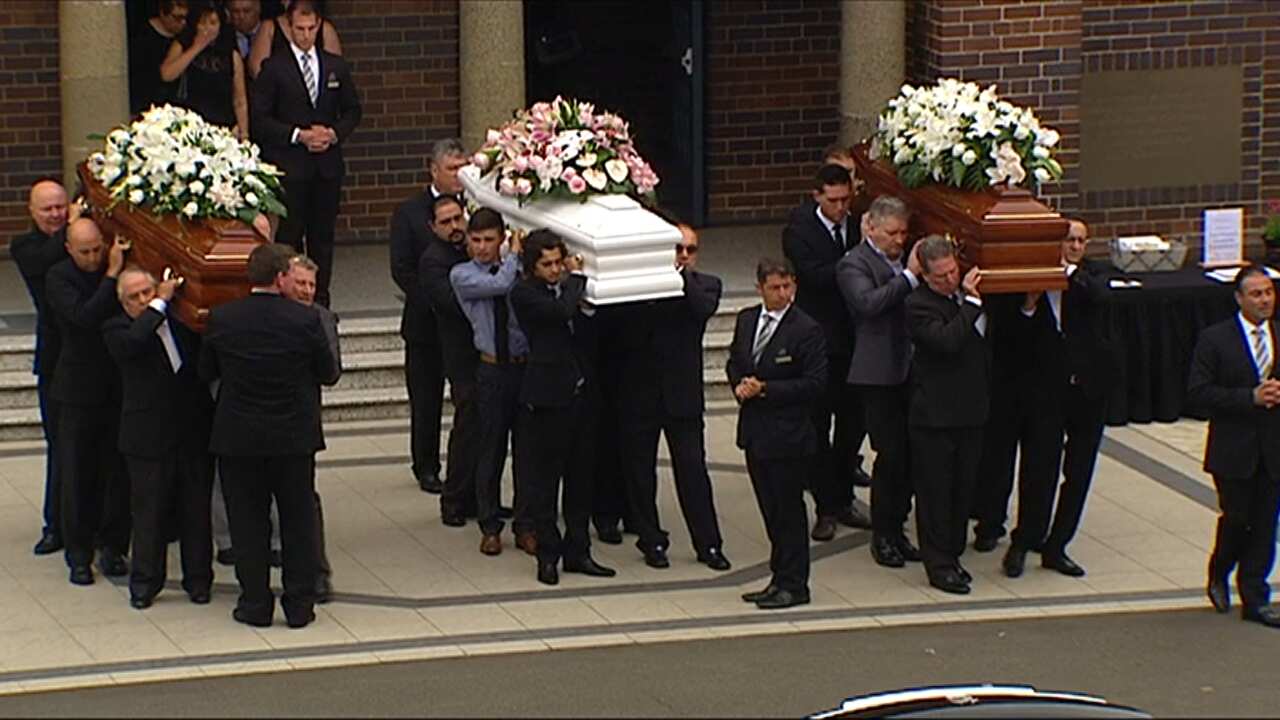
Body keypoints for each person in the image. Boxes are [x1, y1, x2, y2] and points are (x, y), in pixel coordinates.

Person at [199, 243, 338, 629]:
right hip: (293, 437)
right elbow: (327, 372)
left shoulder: (223, 318)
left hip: (239, 437)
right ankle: (299, 605)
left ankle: (255, 603)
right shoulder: (305, 320)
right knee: (297, 520)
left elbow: (205, 371)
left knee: (247, 523)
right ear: (281, 278)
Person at [977, 220, 1114, 578]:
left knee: (1079, 472)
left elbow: (1100, 297)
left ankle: (1057, 546)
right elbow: (1007, 331)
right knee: (1040, 470)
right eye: (1069, 240)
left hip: (1088, 391)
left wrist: (1063, 273)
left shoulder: (1092, 274)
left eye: (1081, 241)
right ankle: (1024, 542)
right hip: (1044, 392)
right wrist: (1029, 303)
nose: (1075, 247)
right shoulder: (1025, 279)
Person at [616, 220, 730, 571]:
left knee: (693, 471)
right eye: (676, 248)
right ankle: (651, 539)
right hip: (641, 394)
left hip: (682, 396)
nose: (683, 255)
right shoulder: (642, 287)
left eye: (689, 250)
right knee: (640, 473)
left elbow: (701, 308)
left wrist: (678, 277)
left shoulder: (706, 285)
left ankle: (708, 543)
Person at [102, 267, 214, 609]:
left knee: (196, 510)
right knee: (149, 513)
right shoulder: (116, 329)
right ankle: (145, 582)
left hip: (191, 430)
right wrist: (158, 305)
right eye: (134, 297)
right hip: (147, 436)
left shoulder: (181, 322)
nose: (142, 300)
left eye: (147, 292)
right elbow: (134, 343)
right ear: (123, 303)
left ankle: (199, 579)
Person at [511, 229, 616, 584]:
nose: (555, 270)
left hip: (579, 393)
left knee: (581, 477)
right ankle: (548, 554)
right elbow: (558, 313)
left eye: (559, 262)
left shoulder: (568, 292)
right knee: (545, 481)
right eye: (548, 264)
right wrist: (579, 276)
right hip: (547, 399)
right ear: (532, 267)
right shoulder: (524, 293)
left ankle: (578, 551)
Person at [728, 258, 827, 610]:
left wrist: (766, 389)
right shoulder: (747, 320)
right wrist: (739, 385)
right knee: (770, 510)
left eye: (787, 286)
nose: (783, 294)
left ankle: (795, 583)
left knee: (789, 513)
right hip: (756, 433)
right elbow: (736, 361)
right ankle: (778, 577)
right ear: (760, 288)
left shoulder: (806, 329)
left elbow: (815, 383)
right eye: (775, 288)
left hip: (789, 435)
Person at [251, 0, 362, 308]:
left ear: (319, 26)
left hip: (326, 166)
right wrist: (298, 135)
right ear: (289, 28)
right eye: (299, 29)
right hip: (291, 165)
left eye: (311, 29)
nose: (305, 35)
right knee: (290, 236)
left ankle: (321, 302)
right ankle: (289, 299)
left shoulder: (335, 65)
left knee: (323, 237)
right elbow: (261, 119)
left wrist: (333, 133)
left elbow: (353, 110)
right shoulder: (274, 68)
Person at [1187, 265, 1280, 629]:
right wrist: (1249, 398)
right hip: (1233, 450)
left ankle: (1255, 596)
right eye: (1256, 294)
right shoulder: (1215, 339)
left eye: (1269, 292)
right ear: (1239, 298)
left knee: (1266, 524)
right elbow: (1198, 392)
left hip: (1273, 449)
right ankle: (1220, 570)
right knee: (1238, 520)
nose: (1265, 300)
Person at [781, 163, 871, 543]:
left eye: (845, 199)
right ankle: (825, 507)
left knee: (853, 425)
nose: (840, 207)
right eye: (833, 200)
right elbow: (814, 275)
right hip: (820, 342)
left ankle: (844, 496)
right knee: (817, 428)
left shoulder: (859, 223)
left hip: (855, 341)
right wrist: (858, 259)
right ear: (817, 195)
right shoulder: (799, 229)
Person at [836, 196, 922, 569]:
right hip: (877, 373)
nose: (899, 240)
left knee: (911, 456)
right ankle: (883, 535)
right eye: (892, 233)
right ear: (870, 227)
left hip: (912, 369)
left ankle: (898, 528)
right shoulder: (853, 263)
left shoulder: (905, 258)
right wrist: (910, 277)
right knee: (890, 456)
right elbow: (868, 304)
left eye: (903, 233)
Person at [45, 220, 130, 586]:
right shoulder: (59, 277)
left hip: (116, 385)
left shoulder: (115, 266)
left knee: (117, 472)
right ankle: (78, 554)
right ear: (69, 249)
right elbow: (84, 317)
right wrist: (111, 276)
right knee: (78, 473)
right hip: (77, 389)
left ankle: (113, 547)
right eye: (85, 252)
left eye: (97, 249)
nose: (93, 257)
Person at [905, 235, 989, 595]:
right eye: (940, 276)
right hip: (934, 417)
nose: (950, 279)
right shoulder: (917, 305)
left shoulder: (968, 294)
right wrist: (972, 302)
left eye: (953, 271)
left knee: (963, 489)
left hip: (971, 412)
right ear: (925, 276)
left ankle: (953, 555)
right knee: (935, 494)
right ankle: (938, 564)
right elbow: (947, 341)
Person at [449, 209, 534, 555]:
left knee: (527, 451)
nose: (482, 247)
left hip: (523, 367)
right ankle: (489, 525)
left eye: (489, 240)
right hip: (491, 370)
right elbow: (499, 285)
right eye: (476, 240)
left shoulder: (519, 269)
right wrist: (513, 255)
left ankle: (526, 524)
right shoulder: (463, 274)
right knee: (491, 449)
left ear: (501, 239)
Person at [389, 138, 467, 494]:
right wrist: (436, 300)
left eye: (463, 167)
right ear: (434, 170)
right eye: (452, 168)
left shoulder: (474, 206)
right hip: (425, 324)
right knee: (426, 399)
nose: (458, 175)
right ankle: (426, 466)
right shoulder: (409, 213)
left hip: (465, 327)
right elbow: (401, 269)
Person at [11, 180, 72, 555]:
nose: (56, 215)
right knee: (60, 445)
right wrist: (73, 225)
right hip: (55, 359)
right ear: (32, 212)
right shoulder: (24, 247)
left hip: (90, 357)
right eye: (47, 209)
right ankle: (56, 525)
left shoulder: (81, 238)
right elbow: (45, 259)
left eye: (61, 207)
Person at [280, 254, 340, 603]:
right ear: (283, 282)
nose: (305, 291)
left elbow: (331, 372)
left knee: (304, 499)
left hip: (301, 421)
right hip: (261, 421)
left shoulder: (321, 319)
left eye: (311, 285)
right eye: (300, 283)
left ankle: (316, 572)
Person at [419, 194, 480, 526]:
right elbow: (453, 304)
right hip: (461, 356)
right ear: (433, 227)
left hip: (482, 352)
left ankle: (478, 499)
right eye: (446, 222)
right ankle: (454, 501)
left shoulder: (467, 249)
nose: (455, 226)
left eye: (458, 218)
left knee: (482, 430)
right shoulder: (434, 261)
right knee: (468, 428)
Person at [159, 1, 249, 139]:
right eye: (203, 23)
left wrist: (244, 133)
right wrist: (197, 47)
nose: (207, 28)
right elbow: (167, 74)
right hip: (189, 123)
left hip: (221, 125)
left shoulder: (231, 55)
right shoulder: (182, 45)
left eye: (213, 23)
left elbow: (240, 99)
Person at [247, 0, 342, 79]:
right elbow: (257, 71)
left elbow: (335, 71)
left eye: (311, 28)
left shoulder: (325, 29)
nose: (306, 35)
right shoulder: (269, 28)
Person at [129, 0, 188, 113]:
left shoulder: (185, 37)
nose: (183, 23)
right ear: (162, 13)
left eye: (185, 18)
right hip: (147, 105)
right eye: (177, 18)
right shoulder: (142, 37)